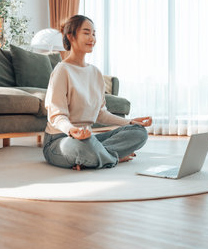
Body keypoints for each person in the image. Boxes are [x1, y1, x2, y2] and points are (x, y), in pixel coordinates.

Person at [43, 15, 152, 171]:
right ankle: (113, 158)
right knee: (80, 147)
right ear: (71, 36)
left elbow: (101, 114)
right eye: (86, 33)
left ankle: (95, 157)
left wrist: (129, 122)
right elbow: (56, 116)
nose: (92, 38)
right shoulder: (62, 71)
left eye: (94, 34)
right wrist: (71, 130)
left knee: (139, 133)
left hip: (88, 138)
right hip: (60, 140)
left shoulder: (95, 73)